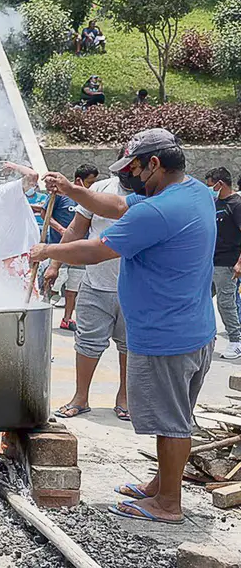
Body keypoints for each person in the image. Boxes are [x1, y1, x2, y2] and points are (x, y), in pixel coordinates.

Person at [34, 128, 215, 525]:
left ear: (154, 164)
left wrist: (47, 250)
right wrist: (69, 188)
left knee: (171, 422)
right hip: (193, 328)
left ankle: (168, 503)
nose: (128, 176)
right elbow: (115, 203)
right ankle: (160, 484)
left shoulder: (158, 211)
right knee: (176, 415)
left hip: (166, 334)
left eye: (133, 167)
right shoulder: (194, 191)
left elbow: (97, 251)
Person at [43, 159, 132, 422]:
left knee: (130, 345)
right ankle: (80, 398)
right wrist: (54, 263)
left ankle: (125, 397)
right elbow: (75, 230)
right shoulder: (101, 189)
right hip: (95, 283)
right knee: (87, 343)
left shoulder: (150, 194)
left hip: (134, 287)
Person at [50, 165, 100, 331]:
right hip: (60, 249)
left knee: (73, 289)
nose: (92, 185)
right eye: (89, 182)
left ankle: (66, 319)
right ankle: (41, 315)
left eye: (94, 182)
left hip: (80, 252)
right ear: (79, 181)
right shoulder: (61, 196)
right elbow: (46, 215)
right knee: (52, 285)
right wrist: (60, 230)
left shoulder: (92, 198)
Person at [0, 163, 42, 295]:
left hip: (15, 253)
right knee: (24, 300)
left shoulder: (6, 195)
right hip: (17, 254)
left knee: (13, 298)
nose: (33, 186)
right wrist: (15, 165)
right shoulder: (8, 190)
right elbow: (33, 176)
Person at [206, 167, 241, 359]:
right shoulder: (216, 202)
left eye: (211, 186)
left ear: (220, 184)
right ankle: (207, 336)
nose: (209, 189)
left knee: (225, 302)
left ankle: (235, 341)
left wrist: (239, 263)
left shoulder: (236, 204)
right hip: (211, 261)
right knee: (200, 298)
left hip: (227, 262)